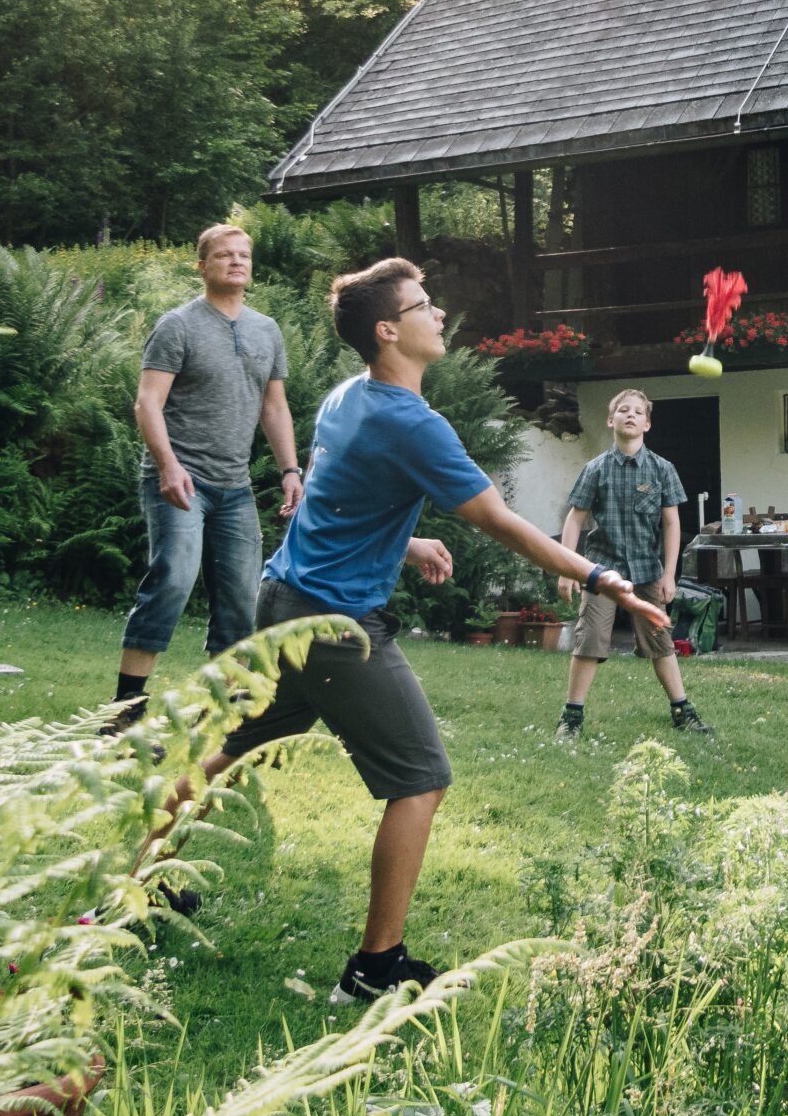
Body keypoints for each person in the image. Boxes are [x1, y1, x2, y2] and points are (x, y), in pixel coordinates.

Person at [150, 259, 668, 1002]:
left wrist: (409, 541)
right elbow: (502, 524)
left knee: (229, 750)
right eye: (424, 305)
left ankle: (130, 892)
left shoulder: (345, 398)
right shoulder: (411, 421)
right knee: (420, 781)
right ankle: (375, 967)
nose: (438, 315)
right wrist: (601, 578)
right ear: (389, 330)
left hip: (282, 603)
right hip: (332, 625)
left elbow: (340, 498)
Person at [110, 225, 304, 732]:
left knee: (242, 602)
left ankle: (220, 722)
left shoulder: (267, 330)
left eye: (244, 256)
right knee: (172, 579)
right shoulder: (178, 326)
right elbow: (147, 402)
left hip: (235, 489)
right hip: (179, 481)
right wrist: (169, 466)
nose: (237, 262)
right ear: (202, 265)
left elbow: (274, 406)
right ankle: (124, 715)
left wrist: (289, 469)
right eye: (224, 255)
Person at [554, 389, 709, 739]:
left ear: (647, 424)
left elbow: (672, 524)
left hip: (647, 572)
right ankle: (571, 718)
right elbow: (575, 519)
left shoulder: (662, 469)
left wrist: (670, 574)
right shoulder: (595, 469)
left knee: (661, 641)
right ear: (611, 420)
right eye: (623, 410)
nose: (630, 415)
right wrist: (567, 568)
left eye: (638, 412)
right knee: (590, 638)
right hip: (602, 571)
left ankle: (682, 710)